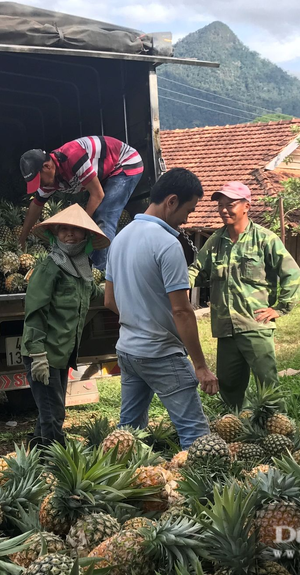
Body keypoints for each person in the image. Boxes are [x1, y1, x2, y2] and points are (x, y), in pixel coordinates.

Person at [104, 168, 218, 449]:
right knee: (196, 437)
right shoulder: (168, 244)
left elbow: (109, 300)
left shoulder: (119, 238)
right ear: (171, 201)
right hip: (161, 354)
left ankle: (124, 486)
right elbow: (181, 311)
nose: (187, 219)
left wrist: (138, 320)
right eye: (188, 210)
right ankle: (202, 492)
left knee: (128, 435)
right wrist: (201, 367)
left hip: (128, 351)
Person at [189, 182, 300, 409]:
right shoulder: (216, 242)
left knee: (267, 384)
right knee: (229, 386)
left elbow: (292, 273)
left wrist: (280, 308)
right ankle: (238, 431)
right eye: (220, 205)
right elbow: (196, 270)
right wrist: (180, 285)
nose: (224, 210)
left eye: (230, 204)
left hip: (255, 324)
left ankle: (276, 429)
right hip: (225, 327)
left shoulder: (264, 239)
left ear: (246, 206)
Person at [21, 204, 108, 448]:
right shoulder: (49, 267)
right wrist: (37, 354)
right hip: (44, 354)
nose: (70, 234)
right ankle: (55, 463)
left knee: (48, 411)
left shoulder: (81, 269)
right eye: (63, 230)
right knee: (54, 413)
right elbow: (35, 312)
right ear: (55, 234)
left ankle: (37, 458)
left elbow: (92, 293)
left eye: (76, 230)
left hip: (61, 353)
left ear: (86, 236)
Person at [19, 136, 143, 271]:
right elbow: (36, 206)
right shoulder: (49, 179)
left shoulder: (72, 156)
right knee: (91, 218)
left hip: (125, 164)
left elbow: (97, 194)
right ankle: (88, 266)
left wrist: (80, 225)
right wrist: (23, 238)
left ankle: (102, 272)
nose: (40, 185)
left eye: (39, 181)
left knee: (103, 216)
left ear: (47, 166)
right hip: (104, 174)